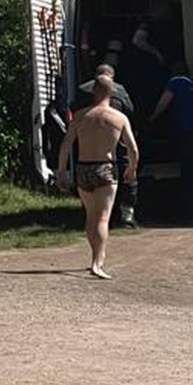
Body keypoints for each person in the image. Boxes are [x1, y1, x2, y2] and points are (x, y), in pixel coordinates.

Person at [56, 75, 138, 279]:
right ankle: (97, 262)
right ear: (111, 93)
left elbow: (66, 144)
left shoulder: (81, 116)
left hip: (83, 169)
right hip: (105, 168)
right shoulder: (118, 118)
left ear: (93, 93)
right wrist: (132, 169)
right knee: (103, 218)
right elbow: (133, 148)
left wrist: (60, 170)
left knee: (91, 216)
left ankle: (94, 257)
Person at [74, 63, 138, 228]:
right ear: (112, 77)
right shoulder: (120, 90)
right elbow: (130, 110)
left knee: (88, 185)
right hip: (116, 138)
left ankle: (91, 215)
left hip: (87, 145)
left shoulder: (82, 90)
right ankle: (126, 215)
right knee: (126, 175)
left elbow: (73, 110)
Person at [150, 67, 193, 225]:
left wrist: (152, 118)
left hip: (188, 134)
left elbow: (164, 102)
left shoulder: (176, 82)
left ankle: (189, 216)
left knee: (188, 175)